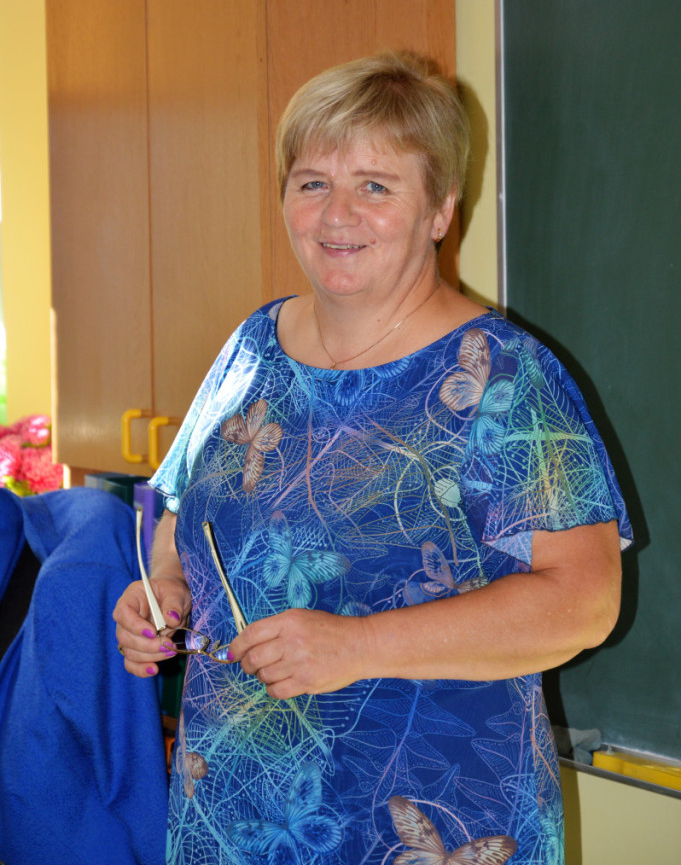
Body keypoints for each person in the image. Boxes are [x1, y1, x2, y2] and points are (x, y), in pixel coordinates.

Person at [114, 51, 632, 865]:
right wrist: (164, 592)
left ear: (440, 210)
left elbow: (583, 602)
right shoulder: (251, 348)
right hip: (233, 816)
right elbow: (183, 522)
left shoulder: (503, 376)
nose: (336, 214)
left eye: (376, 186)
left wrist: (356, 646)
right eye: (312, 182)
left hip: (431, 819)